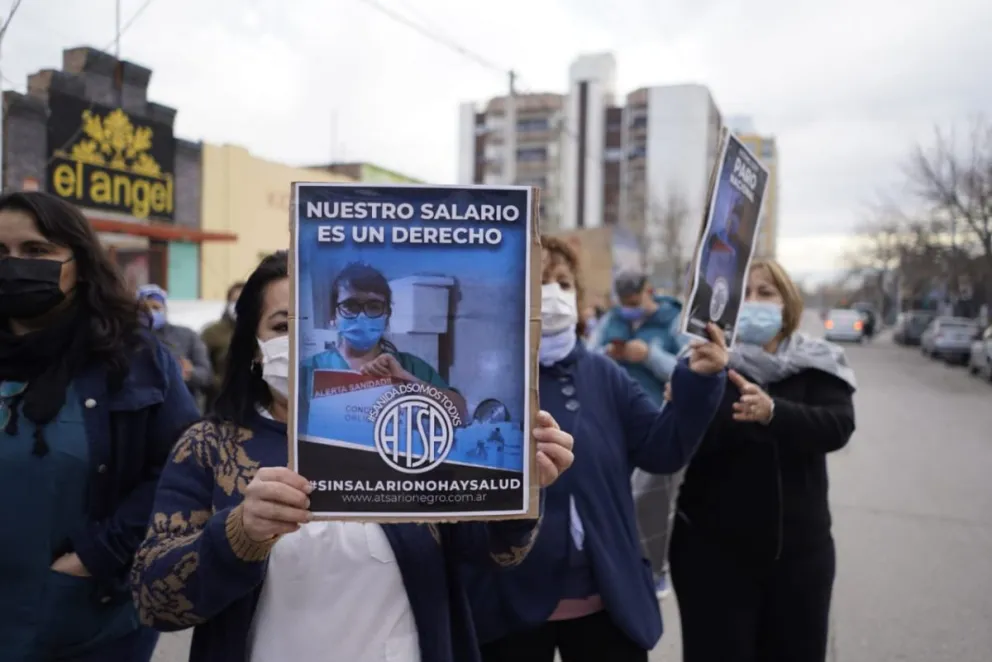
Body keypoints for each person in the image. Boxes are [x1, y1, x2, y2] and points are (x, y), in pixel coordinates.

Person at [130, 251, 576, 662]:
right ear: (252, 346)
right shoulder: (211, 447)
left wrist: (521, 487)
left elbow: (494, 553)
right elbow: (156, 601)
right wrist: (238, 533)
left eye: (312, 325)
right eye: (284, 327)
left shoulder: (411, 432)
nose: (301, 343)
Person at [464, 236, 728, 662]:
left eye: (565, 284)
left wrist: (698, 383)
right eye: (541, 281)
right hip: (509, 600)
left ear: (580, 298)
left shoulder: (606, 374)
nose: (553, 294)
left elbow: (663, 450)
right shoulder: (484, 374)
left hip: (604, 598)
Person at [0, 191, 200, 661]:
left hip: (86, 618)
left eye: (35, 251)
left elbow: (183, 471)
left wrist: (94, 557)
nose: (13, 266)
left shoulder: (136, 359)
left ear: (82, 262)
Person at [670, 259, 857, 662]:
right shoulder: (700, 364)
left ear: (787, 303)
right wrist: (700, 387)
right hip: (712, 560)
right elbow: (691, 442)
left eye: (765, 292)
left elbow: (837, 426)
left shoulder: (818, 361)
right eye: (742, 295)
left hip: (799, 559)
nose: (753, 302)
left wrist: (774, 412)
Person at [588, 271, 689, 599]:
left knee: (652, 502)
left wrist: (648, 356)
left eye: (634, 302)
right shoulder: (613, 320)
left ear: (649, 291)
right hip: (611, 420)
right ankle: (613, 567)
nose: (628, 309)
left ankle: (655, 569)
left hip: (657, 422)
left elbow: (688, 372)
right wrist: (608, 354)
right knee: (612, 498)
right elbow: (587, 358)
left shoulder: (675, 320)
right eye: (624, 303)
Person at [301, 261, 467, 419]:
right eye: (350, 306)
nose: (362, 316)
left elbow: (460, 414)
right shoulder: (309, 371)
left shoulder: (411, 367)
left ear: (387, 316)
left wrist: (408, 381)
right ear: (333, 315)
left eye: (374, 307)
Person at [137, 284, 213, 401]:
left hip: (181, 408)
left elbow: (206, 376)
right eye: (146, 309)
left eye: (156, 307)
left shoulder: (187, 336)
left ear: (165, 309)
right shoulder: (129, 338)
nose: (151, 313)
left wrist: (191, 373)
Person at [201, 281, 244, 408]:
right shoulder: (212, 333)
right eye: (235, 300)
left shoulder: (262, 331)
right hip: (219, 402)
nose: (239, 305)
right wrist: (222, 384)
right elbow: (203, 370)